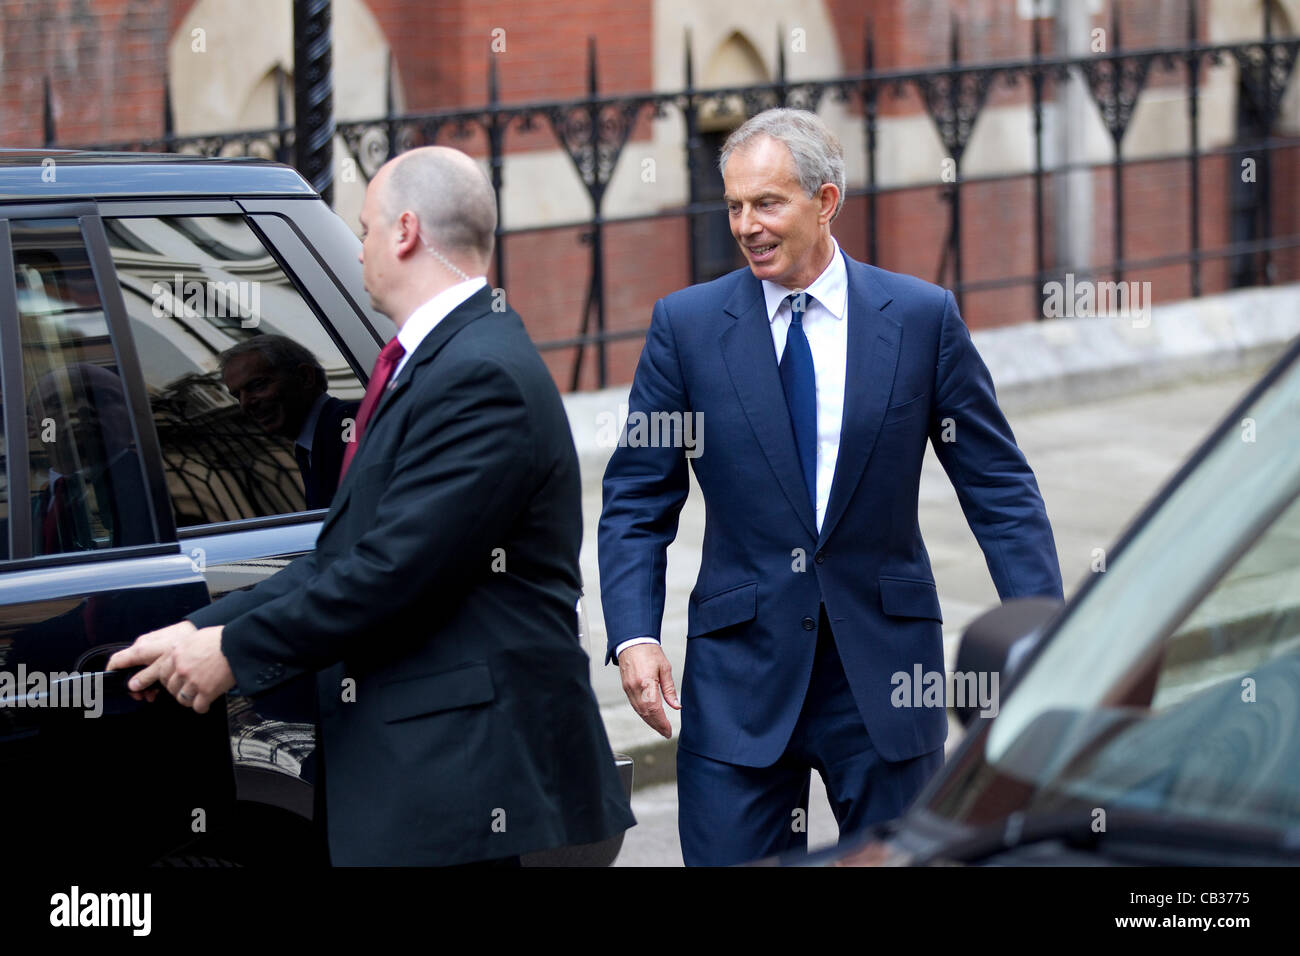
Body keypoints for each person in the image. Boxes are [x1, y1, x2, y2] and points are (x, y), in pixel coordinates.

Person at [108, 145, 635, 866]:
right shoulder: (439, 360)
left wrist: (232, 652)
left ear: (406, 232)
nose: (357, 248)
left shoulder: (479, 373)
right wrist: (194, 629)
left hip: (468, 779)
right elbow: (343, 555)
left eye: (364, 229)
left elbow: (393, 570)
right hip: (431, 778)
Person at [598, 108, 1063, 866]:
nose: (746, 225)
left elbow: (999, 486)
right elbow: (636, 499)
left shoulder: (920, 319)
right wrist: (634, 633)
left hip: (884, 680)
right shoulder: (684, 327)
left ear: (825, 202)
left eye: (768, 203)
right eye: (736, 206)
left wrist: (1046, 632)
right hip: (738, 681)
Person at [219, 335, 359, 510]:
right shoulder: (307, 447)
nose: (246, 403)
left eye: (257, 385)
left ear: (305, 376)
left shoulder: (353, 423)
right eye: (237, 396)